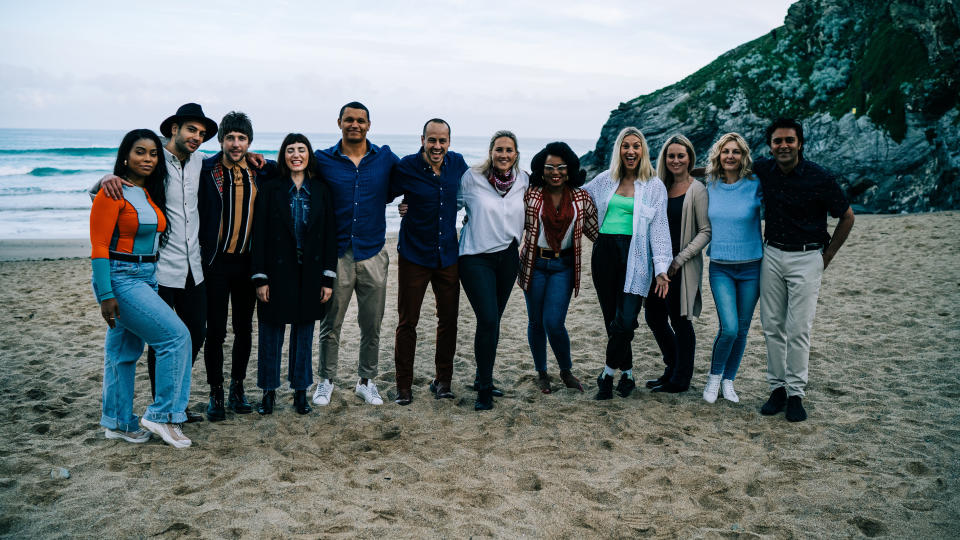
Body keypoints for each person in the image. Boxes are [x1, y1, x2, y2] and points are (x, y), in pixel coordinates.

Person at [94, 103, 220, 423]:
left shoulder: (200, 162)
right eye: (191, 129)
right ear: (173, 129)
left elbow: (232, 158)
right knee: (164, 338)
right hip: (159, 267)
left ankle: (170, 398)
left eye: (202, 134)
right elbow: (120, 186)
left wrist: (260, 161)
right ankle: (163, 406)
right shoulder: (153, 160)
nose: (196, 137)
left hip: (194, 266)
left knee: (195, 334)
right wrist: (104, 180)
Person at [90, 129, 193, 448]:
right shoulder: (113, 190)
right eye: (139, 152)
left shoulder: (149, 191)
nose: (147, 158)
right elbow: (99, 246)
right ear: (125, 155)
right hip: (121, 277)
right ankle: (163, 415)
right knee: (176, 337)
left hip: (147, 274)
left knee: (123, 352)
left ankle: (118, 422)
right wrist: (106, 295)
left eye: (152, 153)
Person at [755, 117, 854, 422]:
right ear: (770, 146)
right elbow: (725, 168)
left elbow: (847, 217)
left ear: (799, 143)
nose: (783, 146)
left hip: (808, 257)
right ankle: (777, 389)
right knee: (772, 326)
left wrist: (827, 256)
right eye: (777, 141)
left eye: (789, 140)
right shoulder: (764, 169)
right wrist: (681, 172)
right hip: (771, 253)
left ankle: (796, 393)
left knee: (799, 329)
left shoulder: (820, 177)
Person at [312, 102, 399, 407]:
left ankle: (366, 380)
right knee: (330, 323)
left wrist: (410, 205)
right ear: (339, 123)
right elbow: (290, 169)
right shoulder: (323, 160)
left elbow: (414, 177)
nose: (355, 125)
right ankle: (326, 380)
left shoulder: (385, 158)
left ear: (368, 125)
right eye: (349, 119)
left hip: (373, 252)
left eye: (360, 120)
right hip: (336, 255)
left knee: (372, 323)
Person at [583, 127, 671, 400]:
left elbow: (659, 229)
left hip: (636, 256)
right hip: (604, 253)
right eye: (625, 146)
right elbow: (577, 199)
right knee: (613, 319)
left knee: (626, 318)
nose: (631, 151)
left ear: (643, 151)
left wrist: (661, 270)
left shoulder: (654, 185)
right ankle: (629, 373)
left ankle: (608, 374)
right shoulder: (604, 180)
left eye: (636, 146)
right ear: (618, 150)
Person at [251, 134, 337, 415]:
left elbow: (328, 238)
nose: (296, 155)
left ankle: (301, 393)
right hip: (277, 272)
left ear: (309, 155)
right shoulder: (271, 188)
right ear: (283, 156)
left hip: (310, 273)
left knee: (304, 333)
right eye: (290, 150)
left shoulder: (321, 190)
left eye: (301, 150)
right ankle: (268, 392)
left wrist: (327, 279)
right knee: (271, 332)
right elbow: (259, 235)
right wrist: (261, 278)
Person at [389, 119, 468, 405]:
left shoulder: (457, 164)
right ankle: (403, 386)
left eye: (442, 141)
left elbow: (477, 188)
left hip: (447, 254)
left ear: (449, 142)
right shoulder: (407, 166)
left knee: (448, 320)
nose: (437, 146)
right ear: (422, 139)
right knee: (407, 322)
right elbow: (382, 192)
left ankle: (442, 381)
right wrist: (400, 205)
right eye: (431, 140)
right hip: (413, 255)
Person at [518, 142, 598, 394]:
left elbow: (597, 233)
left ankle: (565, 370)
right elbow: (506, 216)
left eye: (561, 167)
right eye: (550, 167)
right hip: (534, 263)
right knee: (535, 323)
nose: (556, 172)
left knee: (554, 322)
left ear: (569, 169)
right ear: (541, 170)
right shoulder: (530, 194)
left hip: (564, 266)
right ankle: (542, 372)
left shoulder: (581, 198)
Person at [198, 111, 262, 421]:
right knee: (216, 331)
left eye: (242, 138)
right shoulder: (207, 169)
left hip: (247, 263)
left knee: (243, 329)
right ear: (221, 139)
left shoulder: (259, 170)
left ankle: (238, 388)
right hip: (216, 263)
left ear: (249, 142)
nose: (236, 144)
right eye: (231, 138)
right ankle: (216, 392)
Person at [459, 130, 529, 410]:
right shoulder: (471, 178)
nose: (504, 155)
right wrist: (407, 207)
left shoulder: (524, 179)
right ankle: (485, 388)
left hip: (508, 257)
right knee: (488, 319)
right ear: (491, 152)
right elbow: (445, 205)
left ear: (516, 154)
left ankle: (481, 376)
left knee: (493, 321)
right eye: (499, 149)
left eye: (509, 150)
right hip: (475, 257)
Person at [643, 135, 711, 394]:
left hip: (682, 265)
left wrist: (680, 258)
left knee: (680, 320)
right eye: (671, 156)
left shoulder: (697, 189)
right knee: (654, 317)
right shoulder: (658, 186)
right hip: (656, 264)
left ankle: (681, 379)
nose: (675, 160)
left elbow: (705, 230)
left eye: (681, 155)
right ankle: (672, 366)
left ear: (689, 158)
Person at [700, 133, 762, 404]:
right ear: (718, 155)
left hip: (752, 268)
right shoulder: (709, 184)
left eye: (736, 152)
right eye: (726, 151)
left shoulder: (756, 184)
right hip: (721, 268)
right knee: (730, 328)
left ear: (743, 156)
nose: (730, 156)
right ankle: (714, 377)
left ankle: (728, 381)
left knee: (743, 329)